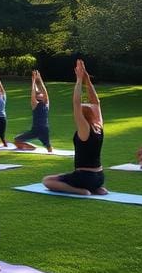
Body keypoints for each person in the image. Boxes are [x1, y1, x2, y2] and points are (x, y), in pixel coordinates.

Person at [42, 59, 107, 195]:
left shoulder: (85, 129)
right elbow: (96, 102)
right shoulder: (98, 126)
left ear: (83, 116)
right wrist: (87, 80)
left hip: (85, 177)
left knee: (47, 181)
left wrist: (79, 80)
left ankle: (81, 191)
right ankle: (96, 188)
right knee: (61, 175)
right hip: (100, 177)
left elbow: (76, 103)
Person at [13, 69, 52, 152]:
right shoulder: (38, 104)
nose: (40, 93)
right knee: (16, 140)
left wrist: (38, 79)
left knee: (16, 140)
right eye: (39, 93)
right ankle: (33, 147)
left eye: (40, 93)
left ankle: (33, 147)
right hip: (39, 130)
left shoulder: (45, 104)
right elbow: (34, 93)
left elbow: (44, 92)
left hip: (41, 130)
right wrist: (34, 80)